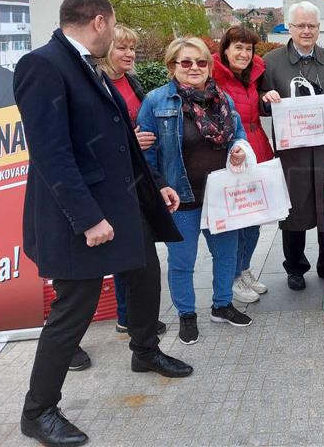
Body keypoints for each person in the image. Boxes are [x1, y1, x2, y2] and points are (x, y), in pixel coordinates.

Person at [14, 0, 192, 447]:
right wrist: (89, 219)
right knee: (75, 307)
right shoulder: (44, 65)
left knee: (145, 272)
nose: (114, 35)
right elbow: (52, 155)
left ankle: (145, 351)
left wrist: (154, 186)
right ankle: (38, 412)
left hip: (122, 202)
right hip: (79, 215)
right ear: (98, 21)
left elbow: (121, 142)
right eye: (112, 26)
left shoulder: (89, 67)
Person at [137, 37, 255, 345]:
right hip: (180, 197)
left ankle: (222, 304)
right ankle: (187, 315)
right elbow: (145, 156)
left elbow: (238, 135)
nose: (194, 68)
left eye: (201, 62)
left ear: (209, 66)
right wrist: (161, 185)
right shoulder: (156, 101)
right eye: (185, 62)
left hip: (221, 196)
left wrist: (239, 149)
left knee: (226, 255)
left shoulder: (223, 100)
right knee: (182, 261)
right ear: (172, 65)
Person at [260, 1, 324, 291]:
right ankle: (295, 267)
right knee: (294, 208)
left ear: (318, 28)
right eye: (300, 25)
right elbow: (259, 97)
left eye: (311, 25)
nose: (306, 30)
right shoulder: (272, 62)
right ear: (289, 27)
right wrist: (267, 98)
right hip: (292, 151)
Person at [99, 24, 167, 336]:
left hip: (138, 175)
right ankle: (127, 316)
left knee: (138, 249)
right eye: (122, 48)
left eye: (132, 48)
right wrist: (130, 142)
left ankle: (135, 315)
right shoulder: (96, 85)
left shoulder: (131, 81)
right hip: (113, 181)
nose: (130, 54)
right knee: (125, 250)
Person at [213, 25, 274, 303]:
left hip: (257, 146)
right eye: (237, 47)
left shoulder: (253, 78)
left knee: (255, 218)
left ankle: (245, 268)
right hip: (231, 151)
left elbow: (258, 107)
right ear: (225, 49)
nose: (244, 53)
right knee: (236, 220)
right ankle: (233, 276)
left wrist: (266, 97)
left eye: (248, 49)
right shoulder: (215, 79)